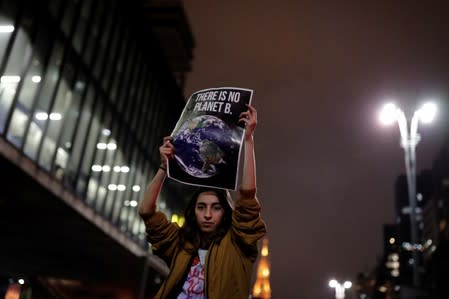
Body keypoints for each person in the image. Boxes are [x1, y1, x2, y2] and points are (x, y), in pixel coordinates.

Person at [138, 104, 267, 299]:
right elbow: (147, 211)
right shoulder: (181, 245)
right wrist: (164, 168)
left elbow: (247, 197)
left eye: (216, 208)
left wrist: (248, 139)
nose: (207, 214)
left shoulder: (238, 245)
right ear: (193, 211)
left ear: (225, 212)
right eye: (201, 207)